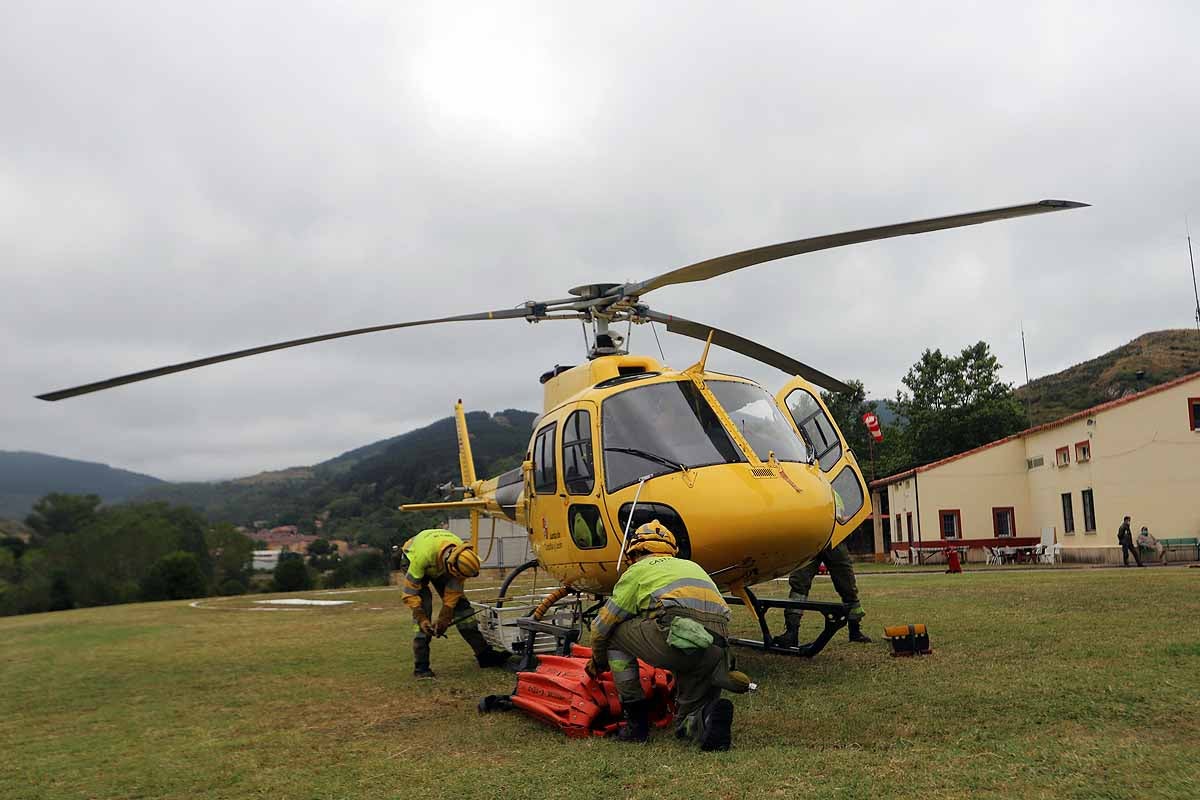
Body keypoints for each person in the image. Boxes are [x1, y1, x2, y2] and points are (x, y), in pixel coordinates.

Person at [586, 520, 750, 750]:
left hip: (679, 639)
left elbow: (601, 626)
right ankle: (705, 719)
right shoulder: (692, 566)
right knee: (684, 724)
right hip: (716, 648)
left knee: (614, 634)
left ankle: (635, 722)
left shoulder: (638, 570)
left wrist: (597, 661)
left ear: (635, 552)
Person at [400, 528, 509, 678]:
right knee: (424, 607)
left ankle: (485, 655)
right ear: (450, 567)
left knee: (463, 609)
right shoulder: (422, 557)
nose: (457, 579)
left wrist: (446, 615)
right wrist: (421, 617)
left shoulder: (461, 555)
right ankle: (421, 666)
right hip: (411, 558)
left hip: (439, 561)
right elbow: (409, 593)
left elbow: (453, 594)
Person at [772, 540, 871, 647]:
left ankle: (855, 629)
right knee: (799, 583)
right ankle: (792, 632)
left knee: (848, 586)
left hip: (834, 539)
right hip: (810, 540)